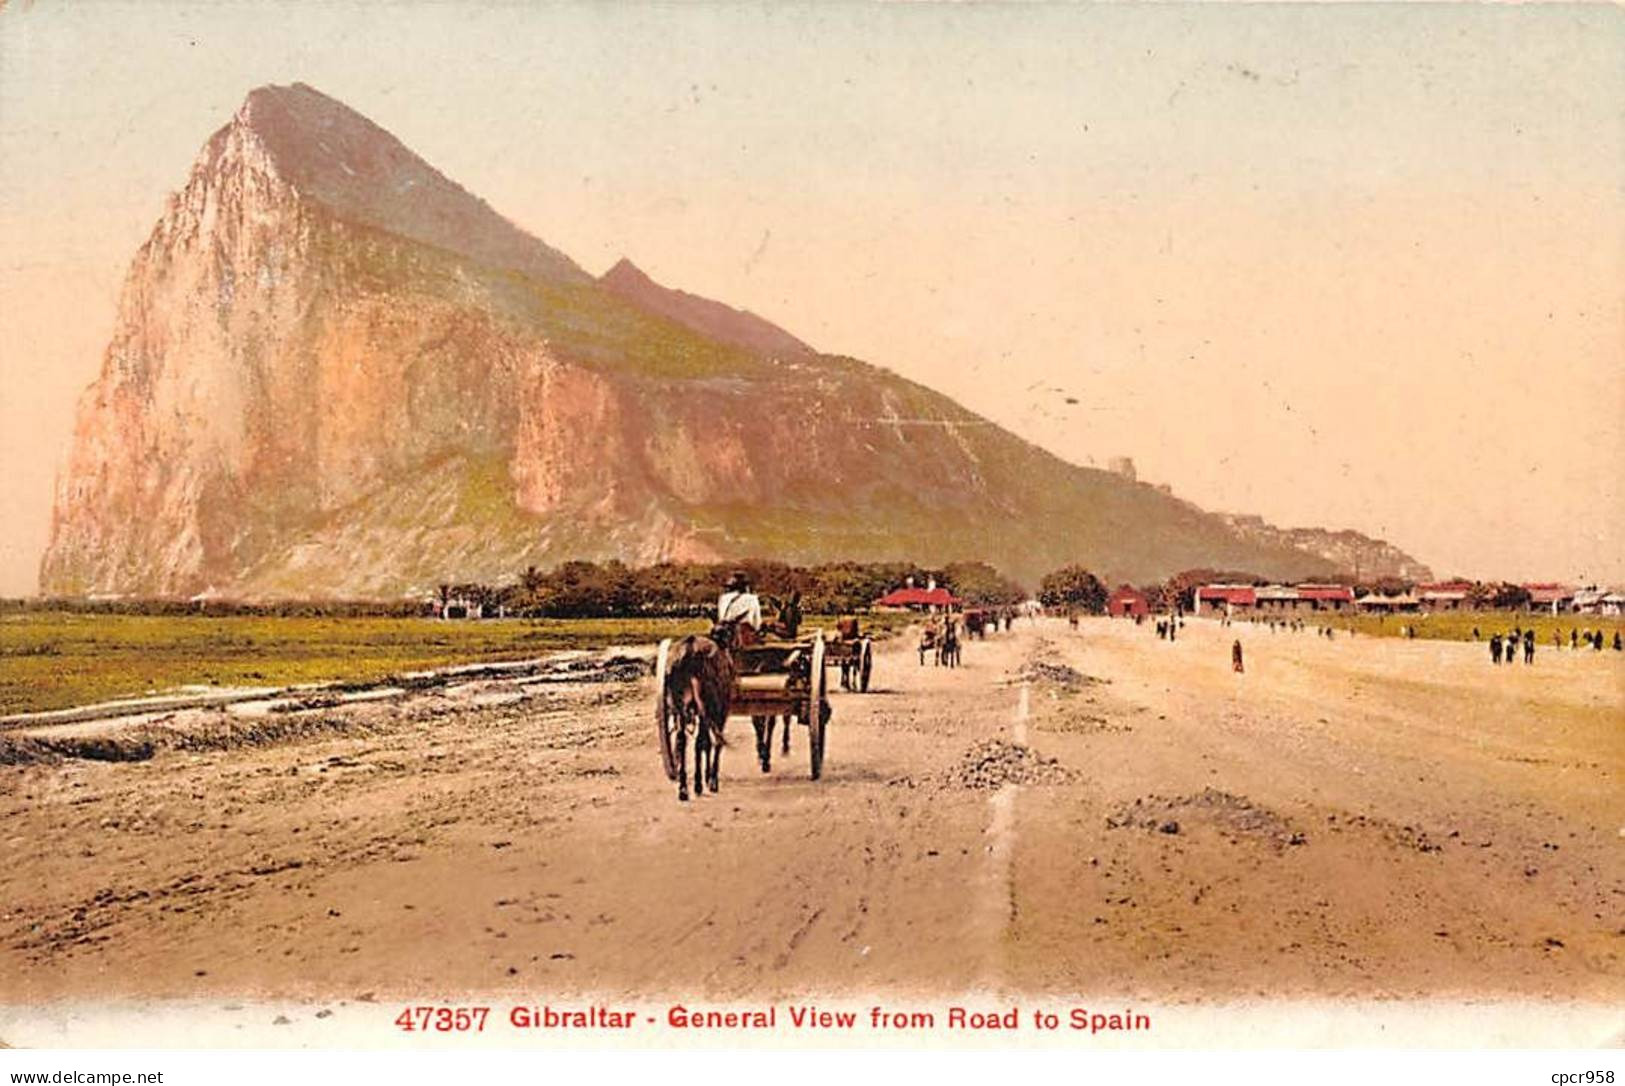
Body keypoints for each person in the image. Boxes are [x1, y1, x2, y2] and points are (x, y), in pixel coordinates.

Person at [717, 569, 762, 634]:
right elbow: (757, 621)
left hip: (725, 631)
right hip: (744, 631)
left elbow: (721, 617)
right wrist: (757, 630)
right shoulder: (752, 598)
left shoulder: (723, 598)